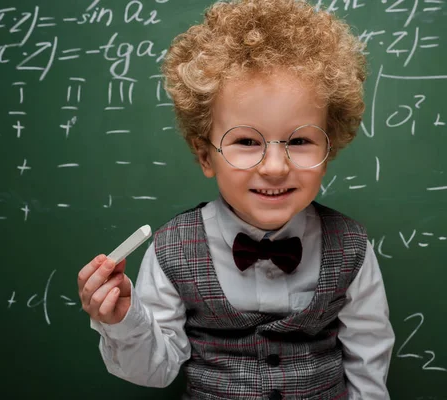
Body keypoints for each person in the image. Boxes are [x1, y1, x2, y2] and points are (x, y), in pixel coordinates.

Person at [77, 0, 395, 398]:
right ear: (205, 155)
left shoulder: (351, 247)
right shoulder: (170, 249)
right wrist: (124, 318)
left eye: (299, 140)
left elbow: (369, 364)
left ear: (327, 154)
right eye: (246, 141)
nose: (275, 167)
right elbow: (153, 372)